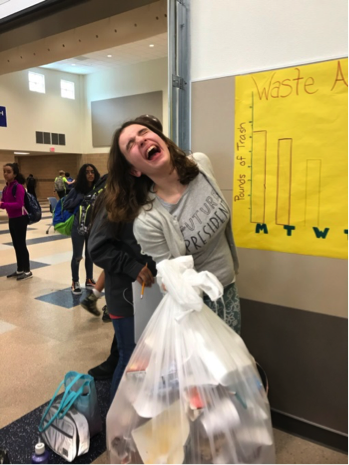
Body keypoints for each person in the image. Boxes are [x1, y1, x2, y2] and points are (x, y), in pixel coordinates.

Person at [104, 119, 241, 334]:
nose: (141, 139)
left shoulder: (201, 165)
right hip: (196, 308)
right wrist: (169, 280)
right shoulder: (148, 220)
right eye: (131, 144)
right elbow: (168, 276)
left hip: (229, 288)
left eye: (144, 132)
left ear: (162, 140)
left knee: (233, 362)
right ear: (134, 170)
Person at [88, 194, 156, 402]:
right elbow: (97, 247)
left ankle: (138, 413)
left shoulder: (153, 189)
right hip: (126, 292)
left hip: (152, 290)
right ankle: (117, 425)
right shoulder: (117, 196)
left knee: (147, 357)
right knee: (130, 356)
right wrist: (131, 266)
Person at [64, 164, 100, 295]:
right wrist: (80, 199)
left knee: (90, 254)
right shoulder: (77, 189)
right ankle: (75, 281)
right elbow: (66, 204)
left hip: (92, 227)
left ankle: (89, 279)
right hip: (78, 226)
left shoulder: (98, 189)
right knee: (77, 255)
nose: (90, 174)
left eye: (92, 172)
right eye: (87, 172)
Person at [0, 163, 32, 280]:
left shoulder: (18, 187)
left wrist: (3, 205)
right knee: (16, 244)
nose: (5, 174)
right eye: (4, 171)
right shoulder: (6, 187)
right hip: (12, 219)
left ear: (15, 174)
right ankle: (20, 269)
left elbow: (19, 204)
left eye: (8, 172)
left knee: (21, 244)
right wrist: (3, 204)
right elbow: (3, 201)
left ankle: (27, 270)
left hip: (20, 218)